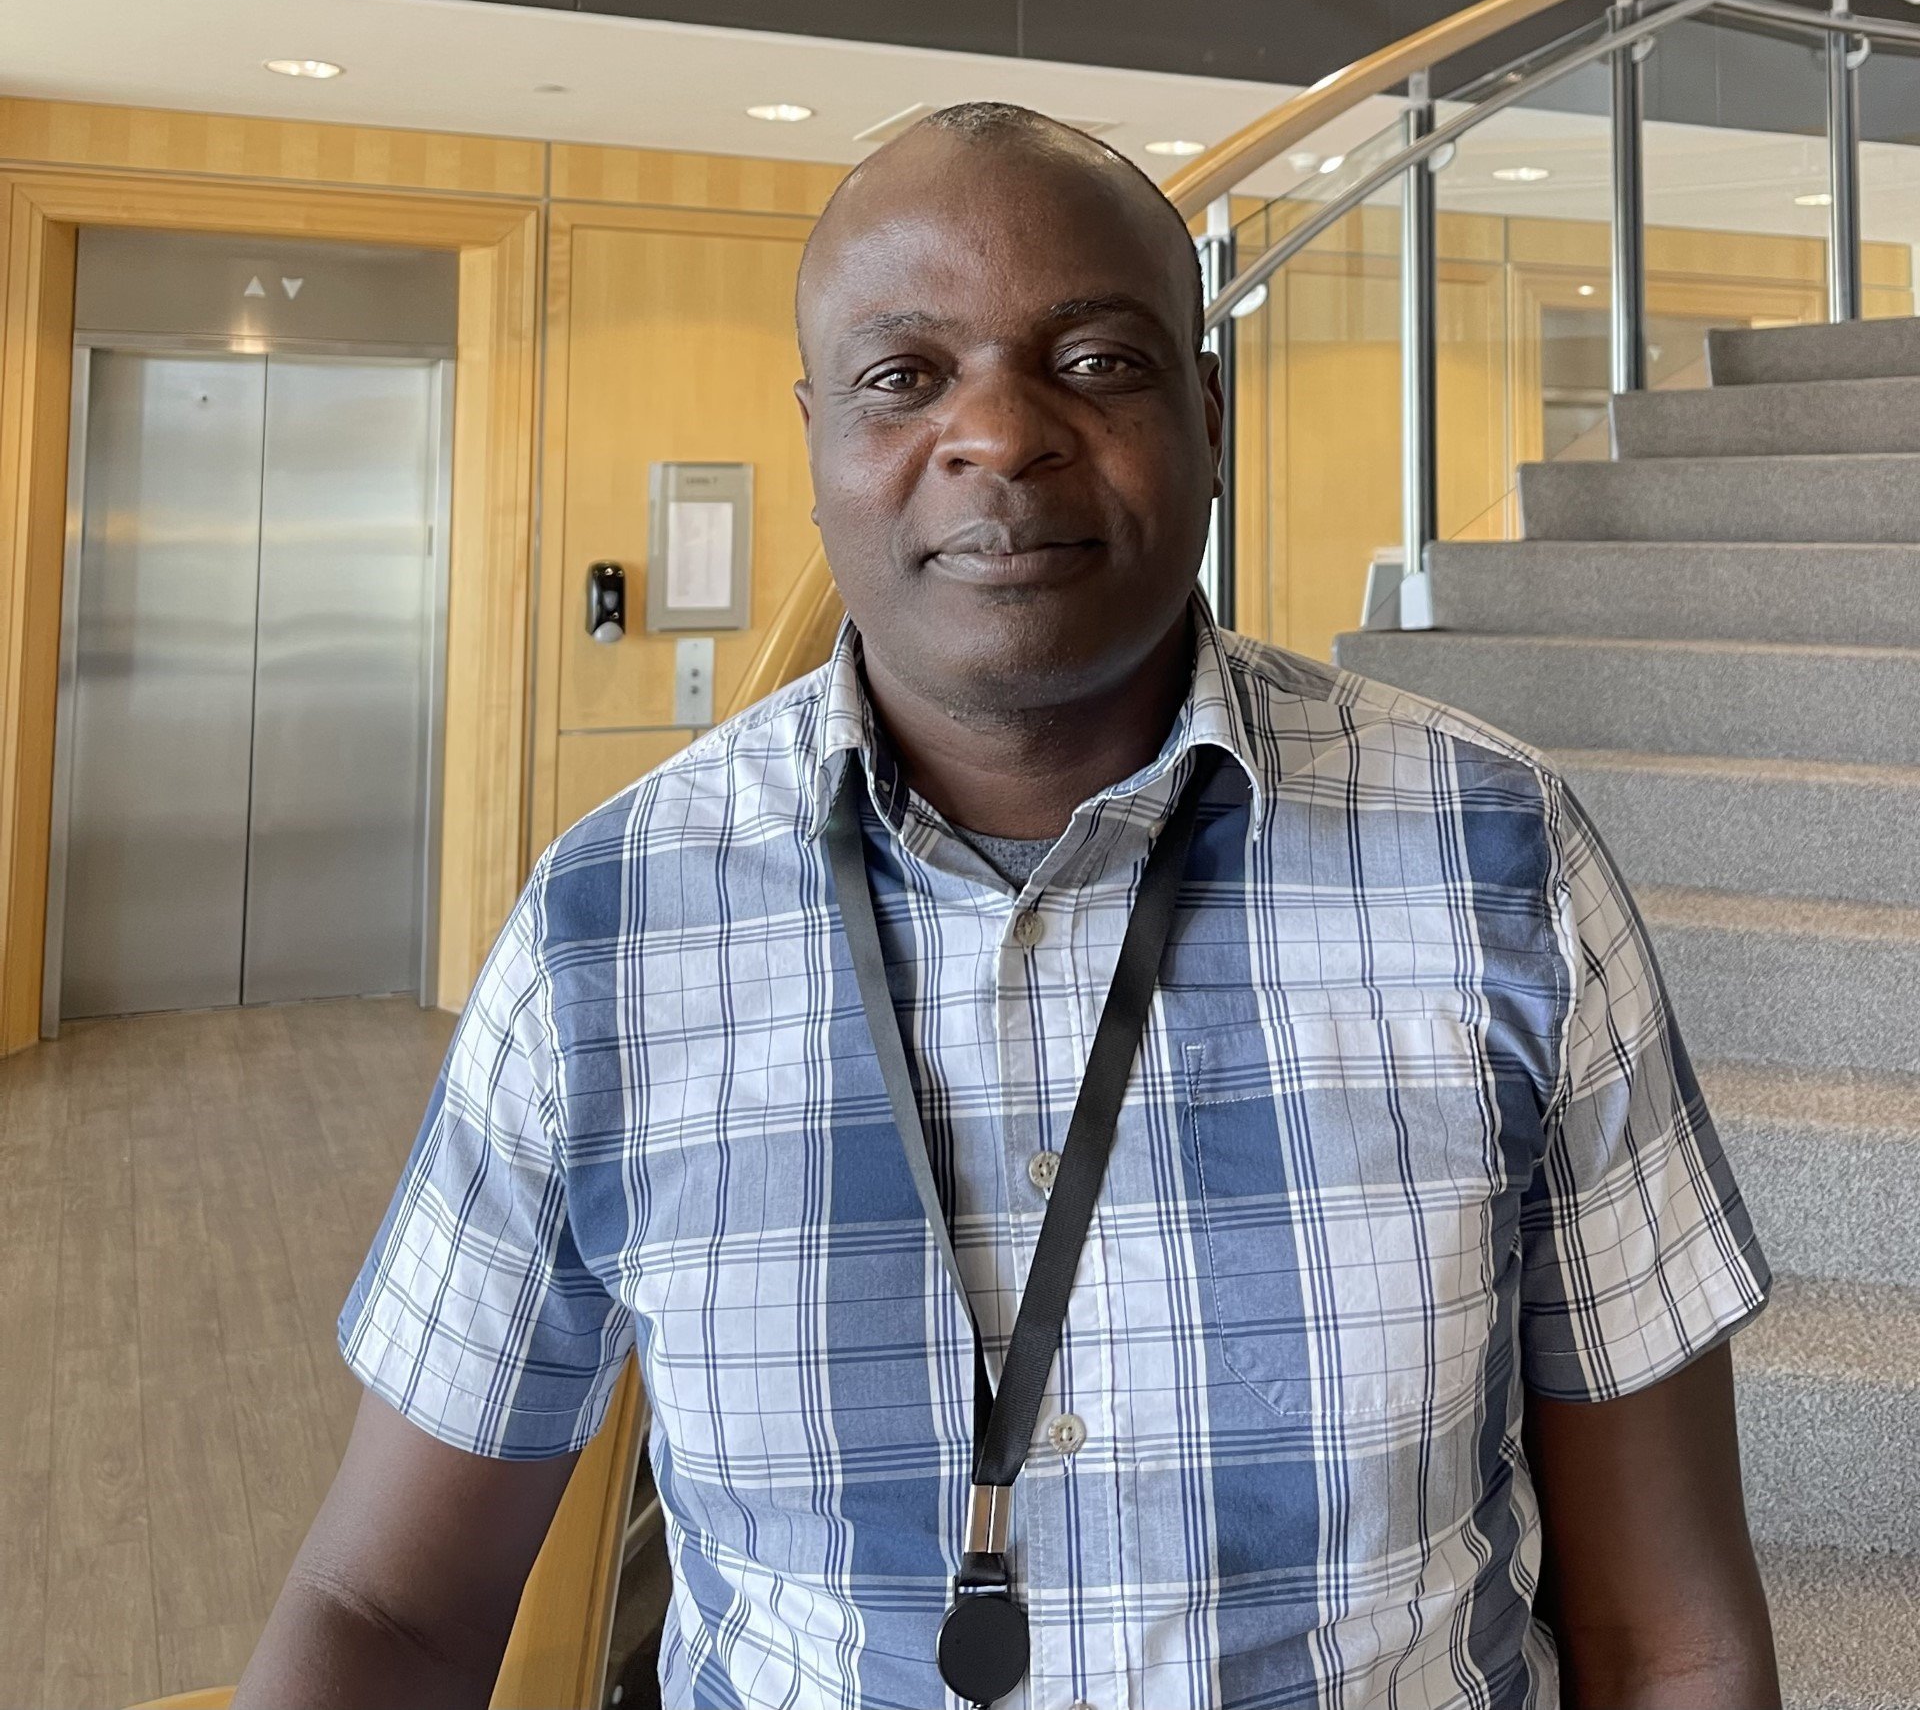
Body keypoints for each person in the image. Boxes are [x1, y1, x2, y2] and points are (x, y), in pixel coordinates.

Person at [234, 103, 1778, 1710]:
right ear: (818, 441)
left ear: (1209, 418)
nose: (1001, 435)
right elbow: (387, 1613)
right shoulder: (607, 930)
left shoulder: (1496, 864)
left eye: (1098, 361)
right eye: (905, 376)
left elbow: (1667, 1636)